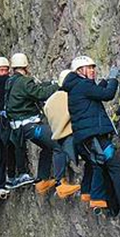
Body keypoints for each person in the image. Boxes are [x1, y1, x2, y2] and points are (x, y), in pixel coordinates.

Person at [64, 56, 120, 221]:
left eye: (93, 67)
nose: (93, 70)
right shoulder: (82, 86)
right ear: (79, 71)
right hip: (94, 138)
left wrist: (105, 81)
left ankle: (115, 207)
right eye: (88, 68)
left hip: (88, 139)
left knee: (107, 169)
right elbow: (107, 94)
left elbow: (96, 92)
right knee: (116, 168)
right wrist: (113, 79)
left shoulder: (77, 86)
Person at [4, 53, 69, 196]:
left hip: (20, 129)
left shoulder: (11, 82)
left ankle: (42, 180)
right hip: (30, 126)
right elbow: (40, 94)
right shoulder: (24, 82)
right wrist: (58, 85)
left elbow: (32, 90)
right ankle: (60, 183)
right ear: (26, 66)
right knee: (58, 143)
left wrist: (47, 84)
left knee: (47, 147)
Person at [0, 56, 30, 187]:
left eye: (6, 70)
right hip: (9, 119)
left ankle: (12, 175)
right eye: (2, 70)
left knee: (9, 147)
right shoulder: (3, 81)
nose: (5, 73)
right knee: (16, 144)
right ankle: (20, 173)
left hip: (4, 119)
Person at [43, 69, 82, 199]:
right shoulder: (70, 96)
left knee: (58, 151)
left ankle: (60, 181)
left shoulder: (49, 101)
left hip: (57, 136)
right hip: (71, 135)